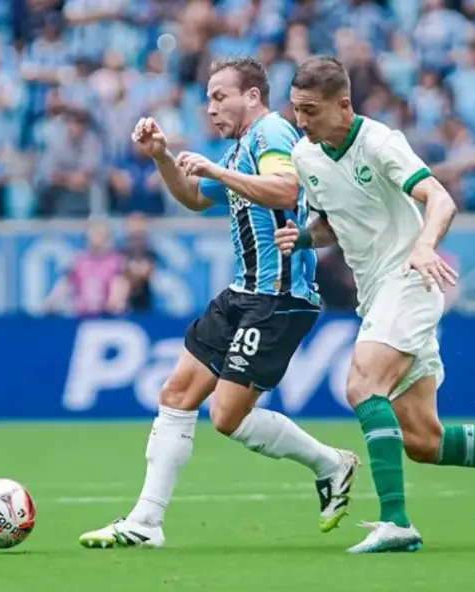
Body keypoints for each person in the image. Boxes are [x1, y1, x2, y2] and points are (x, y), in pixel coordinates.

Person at [277, 55, 475, 554]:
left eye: (310, 110)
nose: (301, 121)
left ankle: (397, 522)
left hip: (410, 279)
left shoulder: (381, 142)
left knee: (363, 384)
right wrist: (302, 238)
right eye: (296, 109)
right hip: (377, 294)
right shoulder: (307, 155)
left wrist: (425, 245)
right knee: (423, 441)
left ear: (344, 105)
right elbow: (332, 222)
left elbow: (441, 199)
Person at [79, 57, 358, 549]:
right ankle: (146, 522)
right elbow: (192, 196)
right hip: (243, 293)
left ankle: (331, 464)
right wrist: (163, 156)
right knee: (177, 393)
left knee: (227, 416)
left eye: (219, 96)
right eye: (208, 98)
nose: (210, 108)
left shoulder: (272, 131)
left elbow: (286, 187)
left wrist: (214, 169)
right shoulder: (237, 151)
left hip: (278, 297)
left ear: (252, 96)